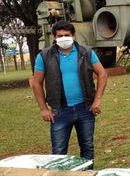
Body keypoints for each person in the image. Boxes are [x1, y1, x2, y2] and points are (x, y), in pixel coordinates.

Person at [31, 20, 108, 162]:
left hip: (85, 109)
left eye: (66, 35)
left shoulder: (86, 52)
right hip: (59, 111)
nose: (63, 38)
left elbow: (102, 74)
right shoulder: (44, 56)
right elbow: (36, 82)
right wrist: (43, 109)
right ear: (54, 37)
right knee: (59, 152)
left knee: (87, 147)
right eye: (59, 36)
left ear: (73, 35)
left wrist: (97, 100)